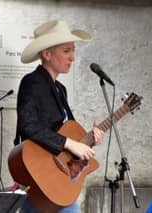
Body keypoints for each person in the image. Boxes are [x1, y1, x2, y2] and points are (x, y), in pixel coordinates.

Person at [15, 20, 105, 213]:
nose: (72, 57)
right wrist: (70, 144)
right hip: (41, 172)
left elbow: (63, 130)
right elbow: (28, 125)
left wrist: (89, 140)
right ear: (47, 54)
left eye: (73, 50)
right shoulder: (32, 82)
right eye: (66, 51)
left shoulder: (60, 89)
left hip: (58, 177)